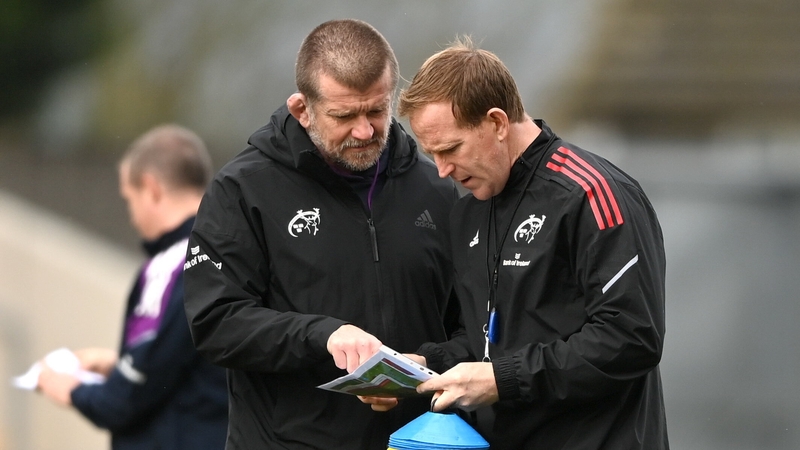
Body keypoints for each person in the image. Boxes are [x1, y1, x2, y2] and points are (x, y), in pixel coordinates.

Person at [181, 19, 460, 450]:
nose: (365, 131)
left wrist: (426, 362)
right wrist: (323, 336)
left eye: (376, 111)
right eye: (344, 116)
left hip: (417, 442)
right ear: (301, 109)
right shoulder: (242, 190)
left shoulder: (437, 188)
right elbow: (216, 322)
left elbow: (474, 324)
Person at [396, 38, 669, 449]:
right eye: (431, 153)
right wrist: (426, 365)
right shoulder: (470, 210)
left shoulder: (591, 193)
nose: (442, 170)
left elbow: (632, 337)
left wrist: (502, 380)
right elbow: (487, 340)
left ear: (498, 122)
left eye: (451, 148)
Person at [37, 125, 229, 450]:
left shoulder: (175, 264)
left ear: (152, 189)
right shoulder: (236, 248)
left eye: (130, 198)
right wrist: (118, 363)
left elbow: (125, 399)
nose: (132, 216)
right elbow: (195, 362)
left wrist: (68, 388)